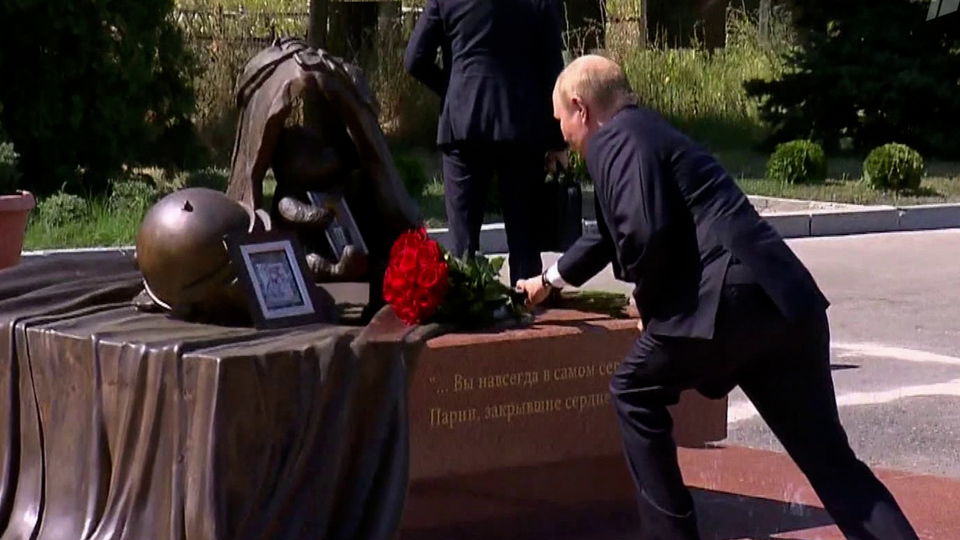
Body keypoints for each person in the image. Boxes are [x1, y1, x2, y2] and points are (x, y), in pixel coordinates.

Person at [516, 54, 919, 540]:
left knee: (632, 391)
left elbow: (644, 230)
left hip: (723, 298)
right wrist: (550, 280)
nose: (568, 140)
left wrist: (650, 300)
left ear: (581, 108)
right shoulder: (651, 135)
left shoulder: (612, 139)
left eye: (564, 125)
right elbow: (609, 234)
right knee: (833, 464)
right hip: (784, 300)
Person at [404, 0, 569, 286]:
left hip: (462, 125)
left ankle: (468, 309)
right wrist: (558, 140)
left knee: (463, 239)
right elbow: (552, 71)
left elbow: (415, 60)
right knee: (524, 236)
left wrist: (454, 88)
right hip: (521, 125)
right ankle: (529, 307)